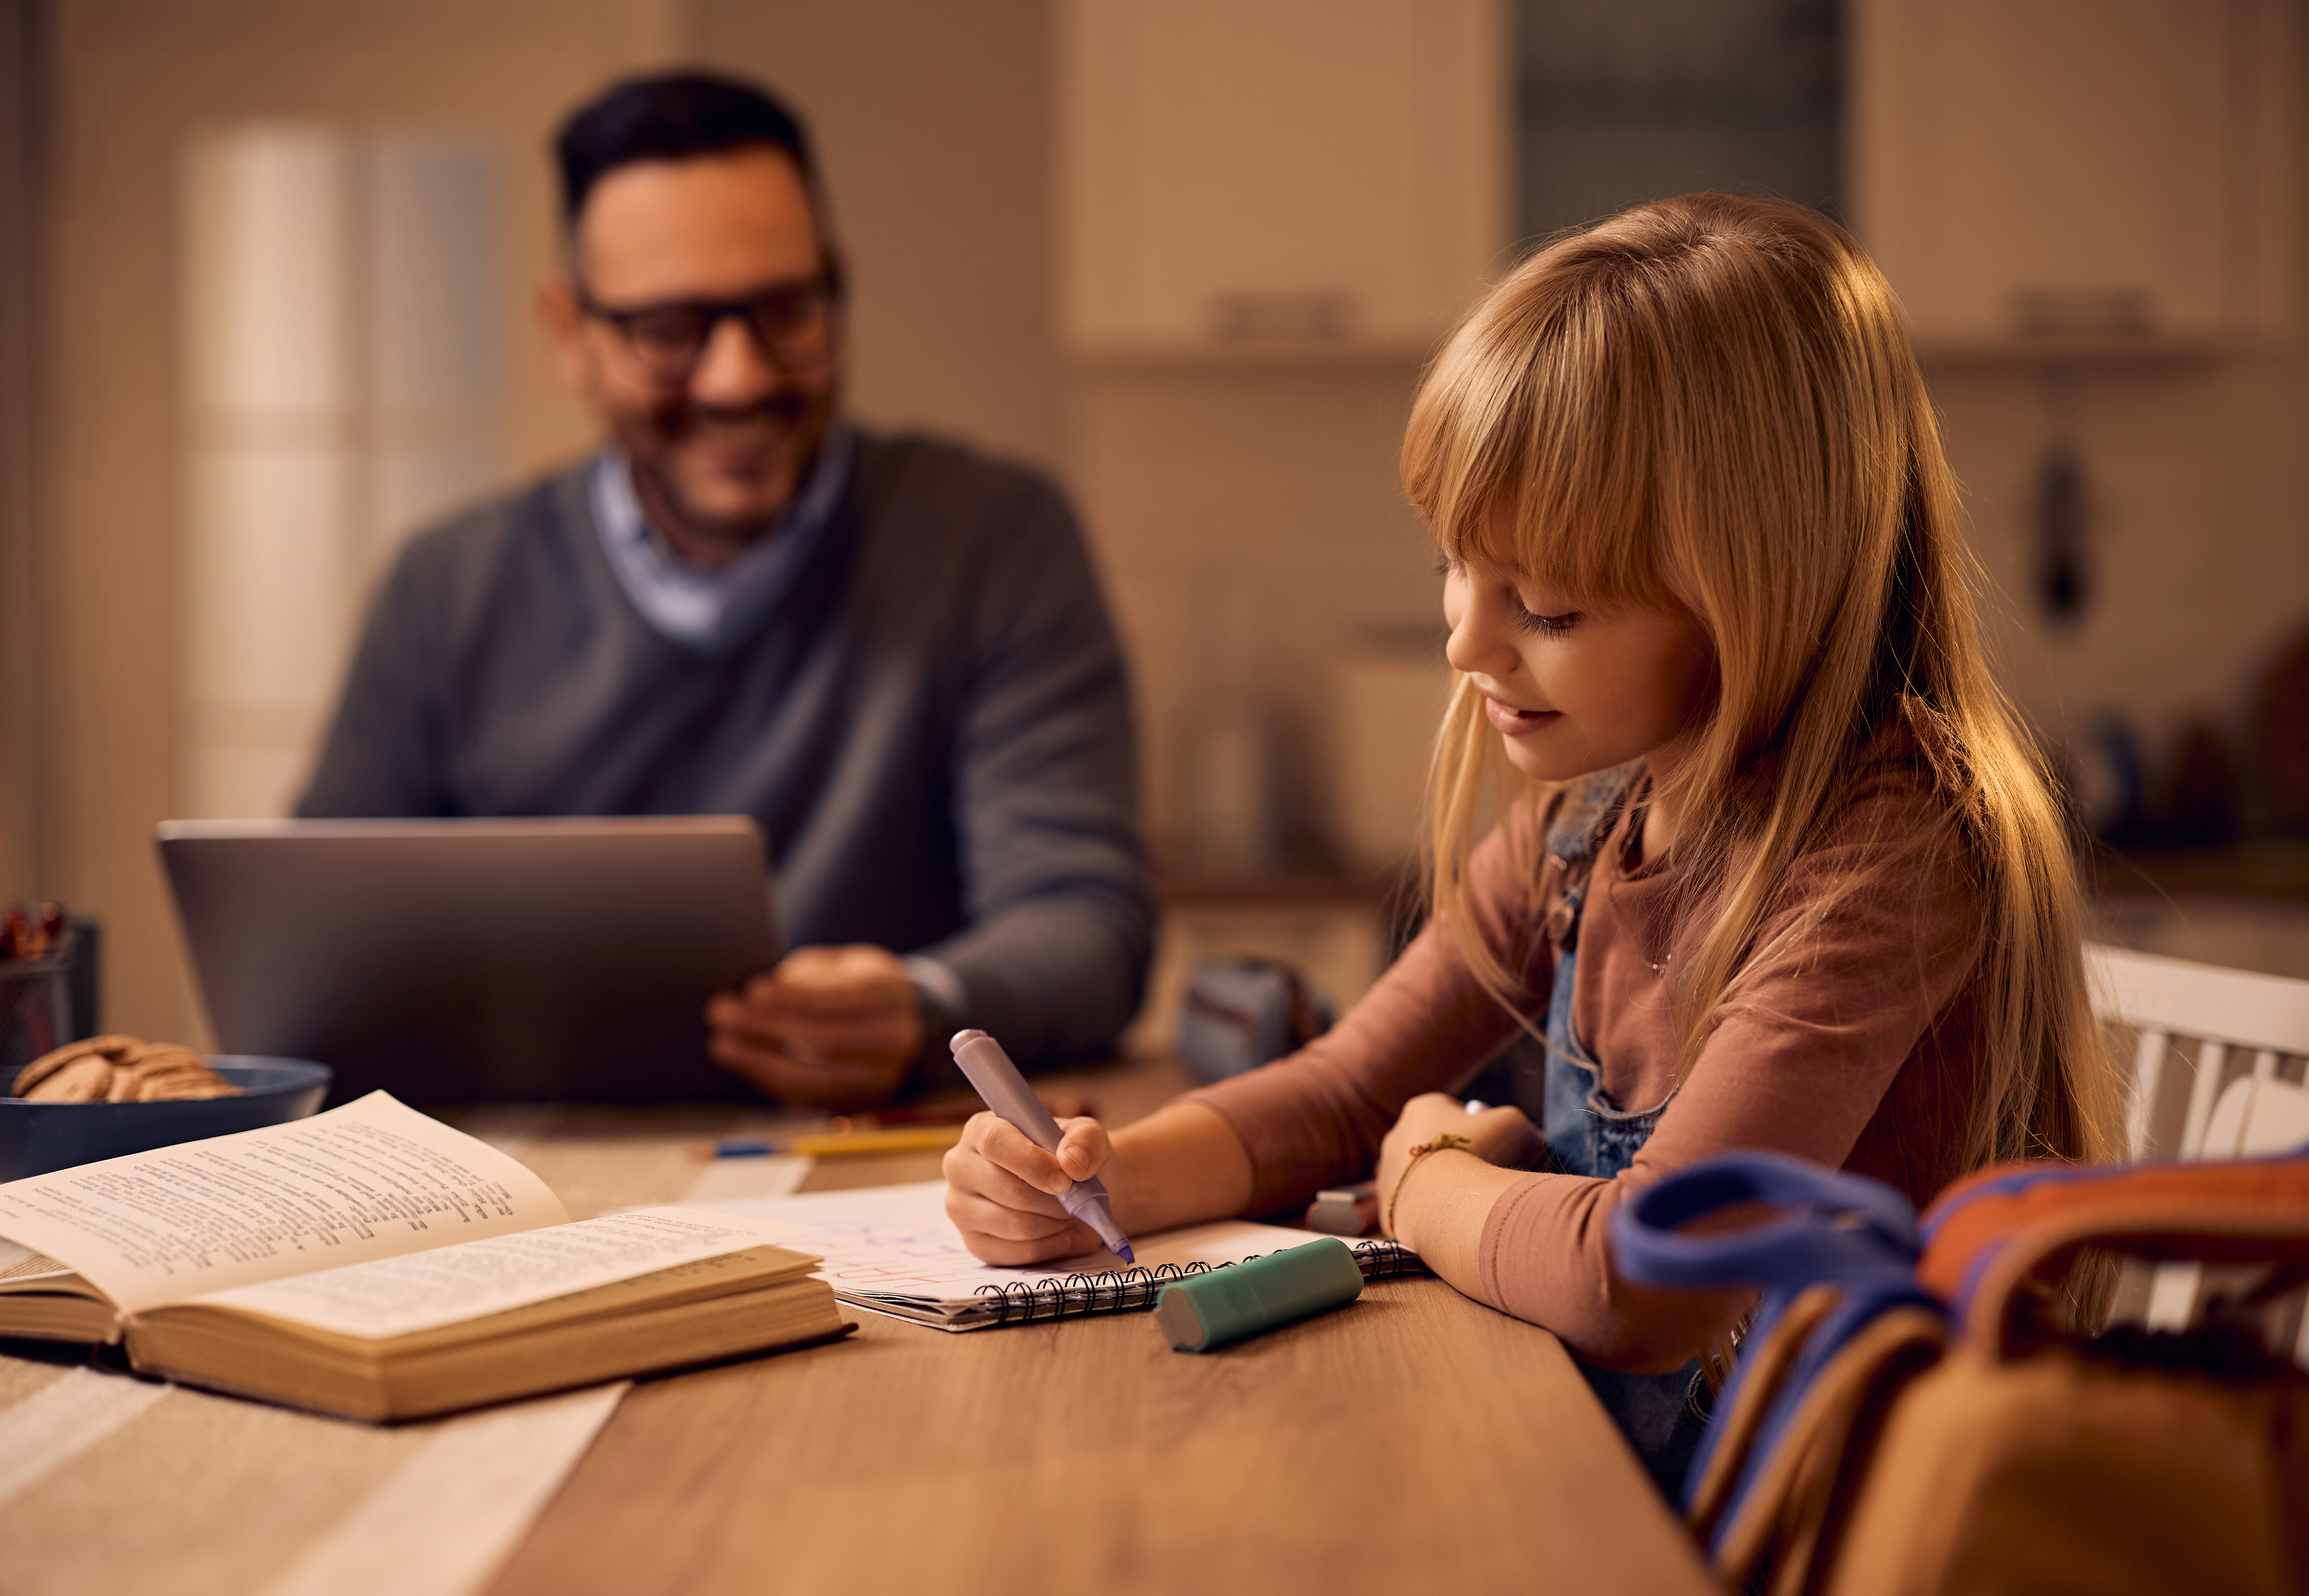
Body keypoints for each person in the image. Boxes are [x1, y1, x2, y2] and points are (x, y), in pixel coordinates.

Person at [941, 193, 2119, 1497]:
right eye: (1457, 568)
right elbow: (1343, 1089)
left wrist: (1428, 1175)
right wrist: (1100, 1182)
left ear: (1763, 583)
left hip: (1828, 1528)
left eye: (1546, 605)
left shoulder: (1892, 850)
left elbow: (1640, 1279)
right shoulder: (1586, 830)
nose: (1467, 642)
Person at [297, 72, 1152, 1109]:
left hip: (878, 1180)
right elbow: (313, 973)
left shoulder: (992, 539)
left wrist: (926, 1003)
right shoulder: (446, 590)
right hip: (524, 1196)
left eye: (786, 311)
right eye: (671, 329)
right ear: (570, 332)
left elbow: (1087, 924)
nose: (739, 379)